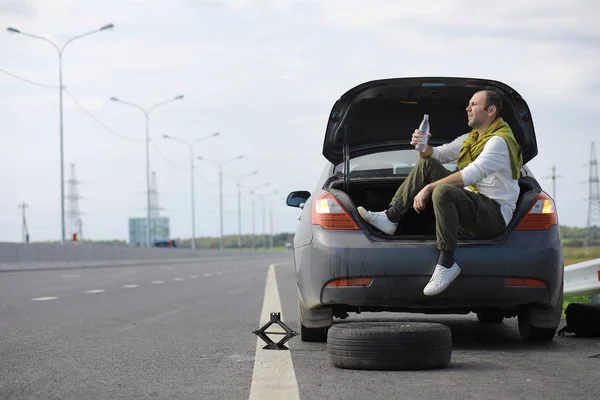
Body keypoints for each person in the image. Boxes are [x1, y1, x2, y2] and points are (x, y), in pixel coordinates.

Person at [357, 90, 523, 296]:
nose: (467, 108)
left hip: (494, 214)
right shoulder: (471, 139)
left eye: (473, 104)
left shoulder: (498, 142)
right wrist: (422, 144)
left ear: (491, 110)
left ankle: (447, 263)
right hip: (473, 204)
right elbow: (438, 155)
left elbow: (471, 174)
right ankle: (391, 217)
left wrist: (428, 188)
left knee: (443, 191)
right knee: (427, 164)